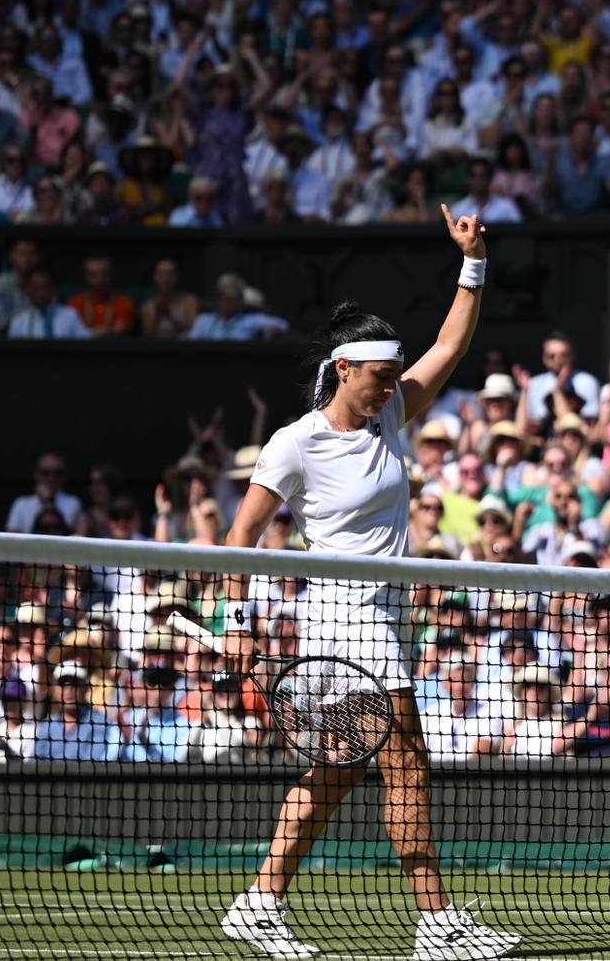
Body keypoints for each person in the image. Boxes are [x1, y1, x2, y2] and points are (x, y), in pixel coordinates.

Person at [216, 204, 518, 960]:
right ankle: (438, 924)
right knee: (406, 760)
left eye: (394, 378)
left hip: (385, 615)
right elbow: (240, 537)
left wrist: (472, 262)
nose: (392, 388)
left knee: (339, 770)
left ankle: (259, 901)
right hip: (343, 621)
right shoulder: (294, 445)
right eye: (380, 377)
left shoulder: (390, 417)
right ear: (343, 369)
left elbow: (452, 342)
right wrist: (239, 627)